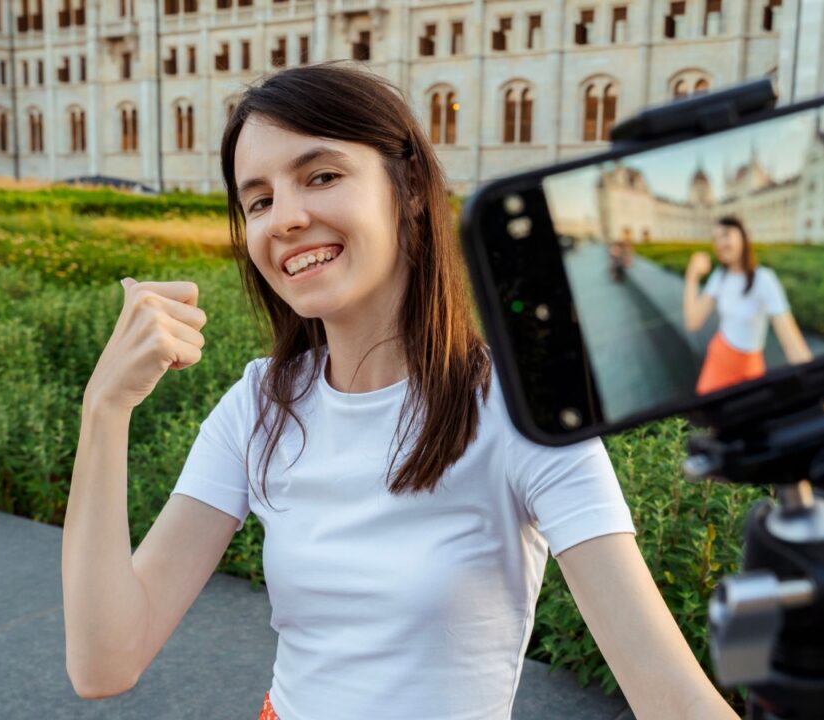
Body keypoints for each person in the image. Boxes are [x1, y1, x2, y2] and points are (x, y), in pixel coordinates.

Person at [63, 62, 737, 720]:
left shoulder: (519, 408)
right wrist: (105, 408)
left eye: (320, 176)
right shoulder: (258, 407)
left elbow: (672, 697)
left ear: (410, 185)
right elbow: (105, 663)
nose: (286, 219)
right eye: (259, 200)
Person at [684, 216, 814, 395]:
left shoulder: (764, 279)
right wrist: (692, 275)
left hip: (749, 367)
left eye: (726, 234)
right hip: (718, 358)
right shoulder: (720, 276)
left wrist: (816, 382)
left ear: (743, 236)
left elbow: (792, 343)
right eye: (715, 238)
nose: (720, 243)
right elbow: (693, 322)